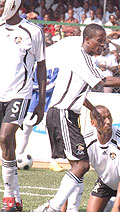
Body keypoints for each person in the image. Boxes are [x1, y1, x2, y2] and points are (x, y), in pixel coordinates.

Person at [33, 24, 120, 212]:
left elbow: (78, 93)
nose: (102, 45)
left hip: (66, 113)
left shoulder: (83, 58)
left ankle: (67, 209)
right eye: (99, 40)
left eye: (104, 41)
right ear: (87, 39)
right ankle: (52, 208)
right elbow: (105, 81)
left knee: (78, 167)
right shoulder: (82, 58)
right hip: (63, 113)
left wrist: (93, 108)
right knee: (82, 165)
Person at [0, 0, 47, 211]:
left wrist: (41, 102)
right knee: (6, 145)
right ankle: (16, 199)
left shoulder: (33, 31)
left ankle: (9, 196)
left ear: (13, 4)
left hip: (20, 94)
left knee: (5, 137)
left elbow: (41, 66)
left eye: (1, 4)